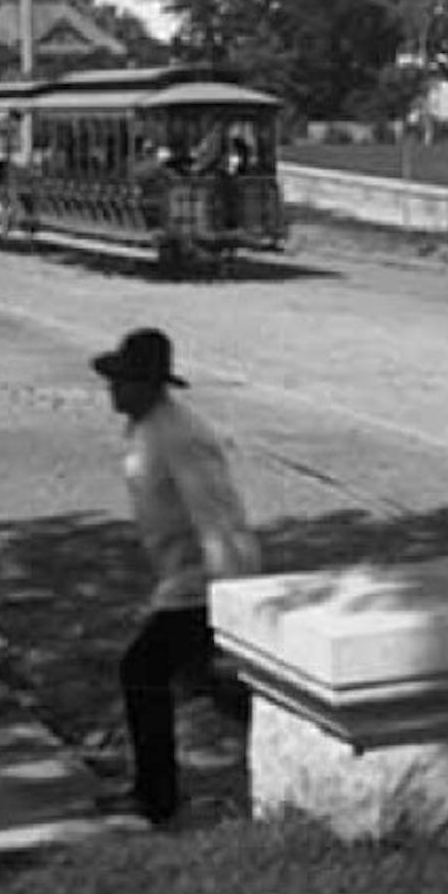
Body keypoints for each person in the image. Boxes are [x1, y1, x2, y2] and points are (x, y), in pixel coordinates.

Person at [92, 327, 261, 827]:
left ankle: (156, 796)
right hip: (181, 580)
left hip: (205, 584)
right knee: (208, 684)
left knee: (142, 671)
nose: (112, 390)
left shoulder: (181, 437)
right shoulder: (147, 428)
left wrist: (232, 603)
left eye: (122, 381)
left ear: (150, 385)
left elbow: (219, 517)